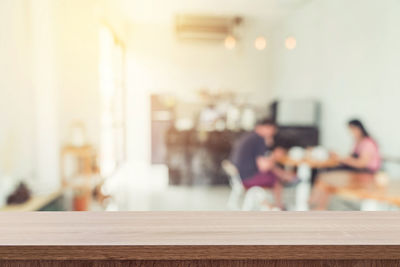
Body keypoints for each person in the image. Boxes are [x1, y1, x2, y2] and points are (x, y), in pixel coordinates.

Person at [309, 119, 381, 210]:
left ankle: (317, 204)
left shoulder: (368, 143)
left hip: (366, 172)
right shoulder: (357, 142)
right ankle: (315, 203)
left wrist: (341, 159)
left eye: (352, 130)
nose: (351, 133)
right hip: (355, 169)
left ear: (359, 129)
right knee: (325, 172)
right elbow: (351, 158)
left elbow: (361, 163)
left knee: (329, 176)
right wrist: (339, 158)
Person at [230, 118, 295, 208]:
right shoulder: (258, 139)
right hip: (248, 178)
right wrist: (275, 156)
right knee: (276, 179)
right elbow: (263, 167)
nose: (273, 133)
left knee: (273, 171)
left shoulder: (250, 137)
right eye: (272, 130)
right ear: (266, 127)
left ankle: (286, 178)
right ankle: (278, 206)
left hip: (239, 176)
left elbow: (264, 163)